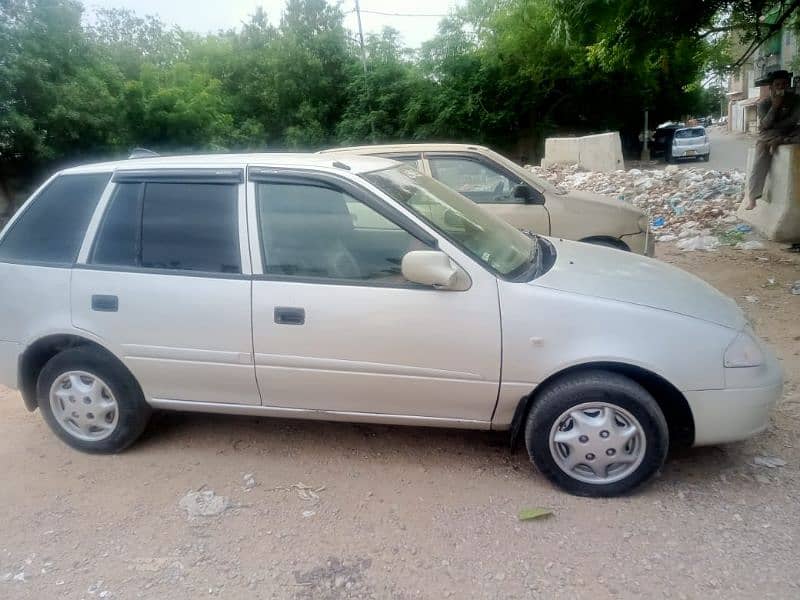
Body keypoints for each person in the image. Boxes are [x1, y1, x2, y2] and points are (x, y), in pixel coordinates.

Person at [746, 70, 800, 209]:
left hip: (789, 132)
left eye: (784, 84)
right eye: (777, 84)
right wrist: (775, 107)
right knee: (761, 152)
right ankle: (753, 197)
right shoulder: (764, 104)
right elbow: (764, 125)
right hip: (769, 135)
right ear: (771, 87)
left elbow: (793, 120)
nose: (781, 87)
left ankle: (781, 141)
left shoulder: (795, 99)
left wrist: (775, 127)